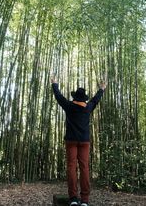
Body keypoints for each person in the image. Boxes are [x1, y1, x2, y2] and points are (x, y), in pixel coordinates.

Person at [51, 77, 106, 206]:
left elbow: (59, 96)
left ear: (75, 97)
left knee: (71, 168)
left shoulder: (69, 106)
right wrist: (102, 89)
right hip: (84, 142)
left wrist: (54, 84)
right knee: (85, 168)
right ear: (84, 99)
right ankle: (85, 200)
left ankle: (73, 199)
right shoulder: (88, 108)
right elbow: (96, 99)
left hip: (71, 141)